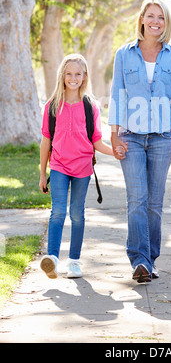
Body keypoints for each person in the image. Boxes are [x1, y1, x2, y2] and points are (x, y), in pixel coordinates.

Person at [108, 0, 171, 283]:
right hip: (130, 136)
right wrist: (114, 135)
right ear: (142, 18)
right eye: (151, 15)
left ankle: (151, 259)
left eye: (162, 17)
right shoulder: (124, 53)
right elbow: (118, 95)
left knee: (155, 202)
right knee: (136, 200)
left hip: (162, 138)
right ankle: (139, 260)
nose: (156, 21)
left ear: (166, 23)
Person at [39, 54, 121, 279]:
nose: (73, 78)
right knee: (57, 212)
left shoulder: (90, 106)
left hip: (83, 168)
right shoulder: (52, 105)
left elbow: (96, 142)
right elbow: (46, 141)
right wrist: (42, 174)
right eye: (69, 74)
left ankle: (74, 261)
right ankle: (53, 259)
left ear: (84, 76)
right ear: (62, 76)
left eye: (78, 74)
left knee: (77, 213)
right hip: (58, 166)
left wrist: (116, 152)